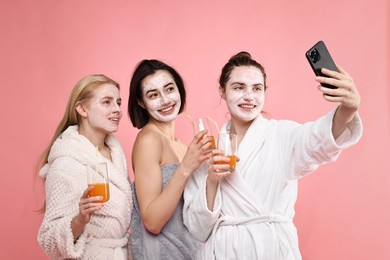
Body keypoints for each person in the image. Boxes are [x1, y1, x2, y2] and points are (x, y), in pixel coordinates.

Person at [183, 51, 363, 259]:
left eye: (257, 88)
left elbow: (317, 139)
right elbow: (197, 229)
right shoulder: (208, 151)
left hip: (272, 250)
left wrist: (348, 108)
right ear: (222, 92)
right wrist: (212, 180)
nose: (249, 96)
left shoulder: (282, 135)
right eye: (238, 87)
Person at [37, 74, 133, 259]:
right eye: (107, 102)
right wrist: (80, 220)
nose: (117, 110)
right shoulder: (67, 163)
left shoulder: (115, 154)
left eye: (118, 102)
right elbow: (48, 239)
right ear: (82, 109)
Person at [128, 59, 211, 259]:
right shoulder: (149, 140)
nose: (165, 100)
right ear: (141, 102)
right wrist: (186, 167)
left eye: (169, 89)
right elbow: (152, 222)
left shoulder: (183, 146)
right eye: (153, 95)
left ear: (179, 90)